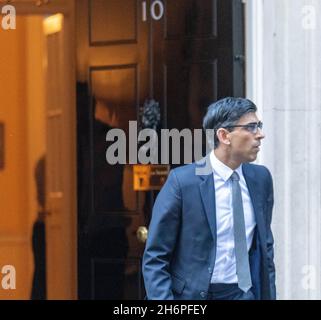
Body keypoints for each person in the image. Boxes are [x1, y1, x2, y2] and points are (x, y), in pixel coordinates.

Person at [142, 97, 276, 300]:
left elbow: (265, 247)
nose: (260, 134)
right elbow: (155, 257)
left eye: (259, 126)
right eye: (251, 127)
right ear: (224, 135)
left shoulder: (261, 179)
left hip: (244, 294)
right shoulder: (182, 182)